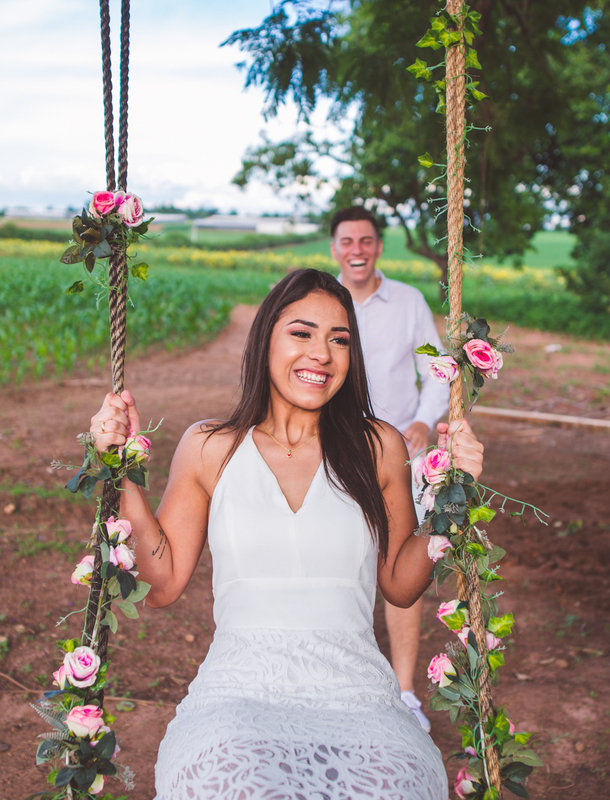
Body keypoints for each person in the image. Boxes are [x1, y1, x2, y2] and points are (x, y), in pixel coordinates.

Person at [90, 268, 485, 798]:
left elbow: (399, 584)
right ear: (265, 340)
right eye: (302, 333)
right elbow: (161, 585)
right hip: (239, 688)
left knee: (398, 784)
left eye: (339, 339)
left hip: (357, 690)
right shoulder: (210, 446)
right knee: (225, 781)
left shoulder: (378, 447)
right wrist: (122, 472)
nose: (321, 353)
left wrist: (449, 495)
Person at [330, 205, 449, 733]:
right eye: (347, 241)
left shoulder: (408, 303)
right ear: (334, 248)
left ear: (379, 246)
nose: (357, 250)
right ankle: (340, 683)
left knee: (400, 570)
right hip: (334, 453)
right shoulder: (322, 303)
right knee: (336, 570)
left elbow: (437, 370)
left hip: (402, 451)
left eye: (366, 240)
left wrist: (424, 422)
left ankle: (403, 692)